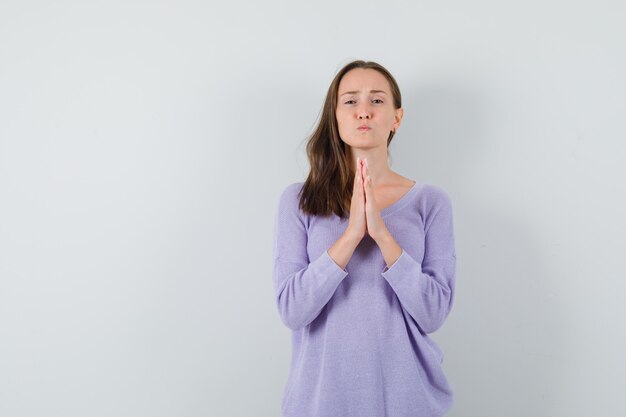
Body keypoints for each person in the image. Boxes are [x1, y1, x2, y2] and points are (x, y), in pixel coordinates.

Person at [272, 59, 457, 417]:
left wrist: (382, 234)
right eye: (351, 101)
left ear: (397, 118)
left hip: (408, 401)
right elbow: (292, 310)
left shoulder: (431, 202)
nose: (363, 112)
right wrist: (352, 233)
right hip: (320, 401)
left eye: (376, 101)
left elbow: (433, 314)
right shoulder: (298, 201)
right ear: (335, 116)